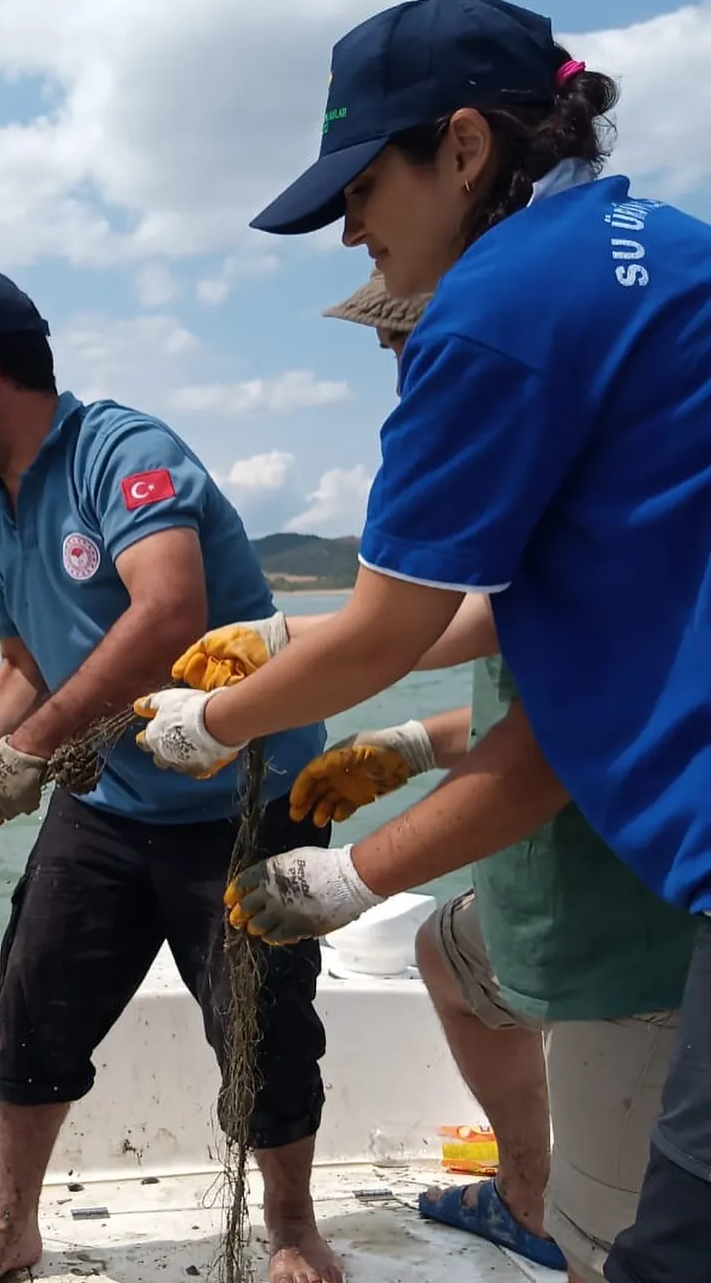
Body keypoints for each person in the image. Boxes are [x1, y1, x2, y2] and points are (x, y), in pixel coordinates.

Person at [132, 0, 711, 1283]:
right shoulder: (667, 248)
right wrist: (297, 641)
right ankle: (527, 1190)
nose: (348, 229)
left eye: (361, 185)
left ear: (462, 147)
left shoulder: (494, 307)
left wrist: (210, 727)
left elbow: (392, 630)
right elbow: (581, 596)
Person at [0, 265, 339, 1283]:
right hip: (110, 804)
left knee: (266, 1027)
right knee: (31, 1011)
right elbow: (27, 665)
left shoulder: (122, 451)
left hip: (249, 797)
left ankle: (291, 1225)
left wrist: (31, 750)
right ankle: (8, 1230)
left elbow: (169, 612)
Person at [259, 268, 699, 1280]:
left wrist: (347, 873)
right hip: (536, 903)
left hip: (626, 933)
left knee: (620, 1245)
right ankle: (524, 1193)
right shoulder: (549, 488)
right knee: (449, 958)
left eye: (407, 344)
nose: (400, 371)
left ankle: (571, 1223)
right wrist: (407, 741)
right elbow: (499, 654)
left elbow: (550, 752)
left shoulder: (605, 493)